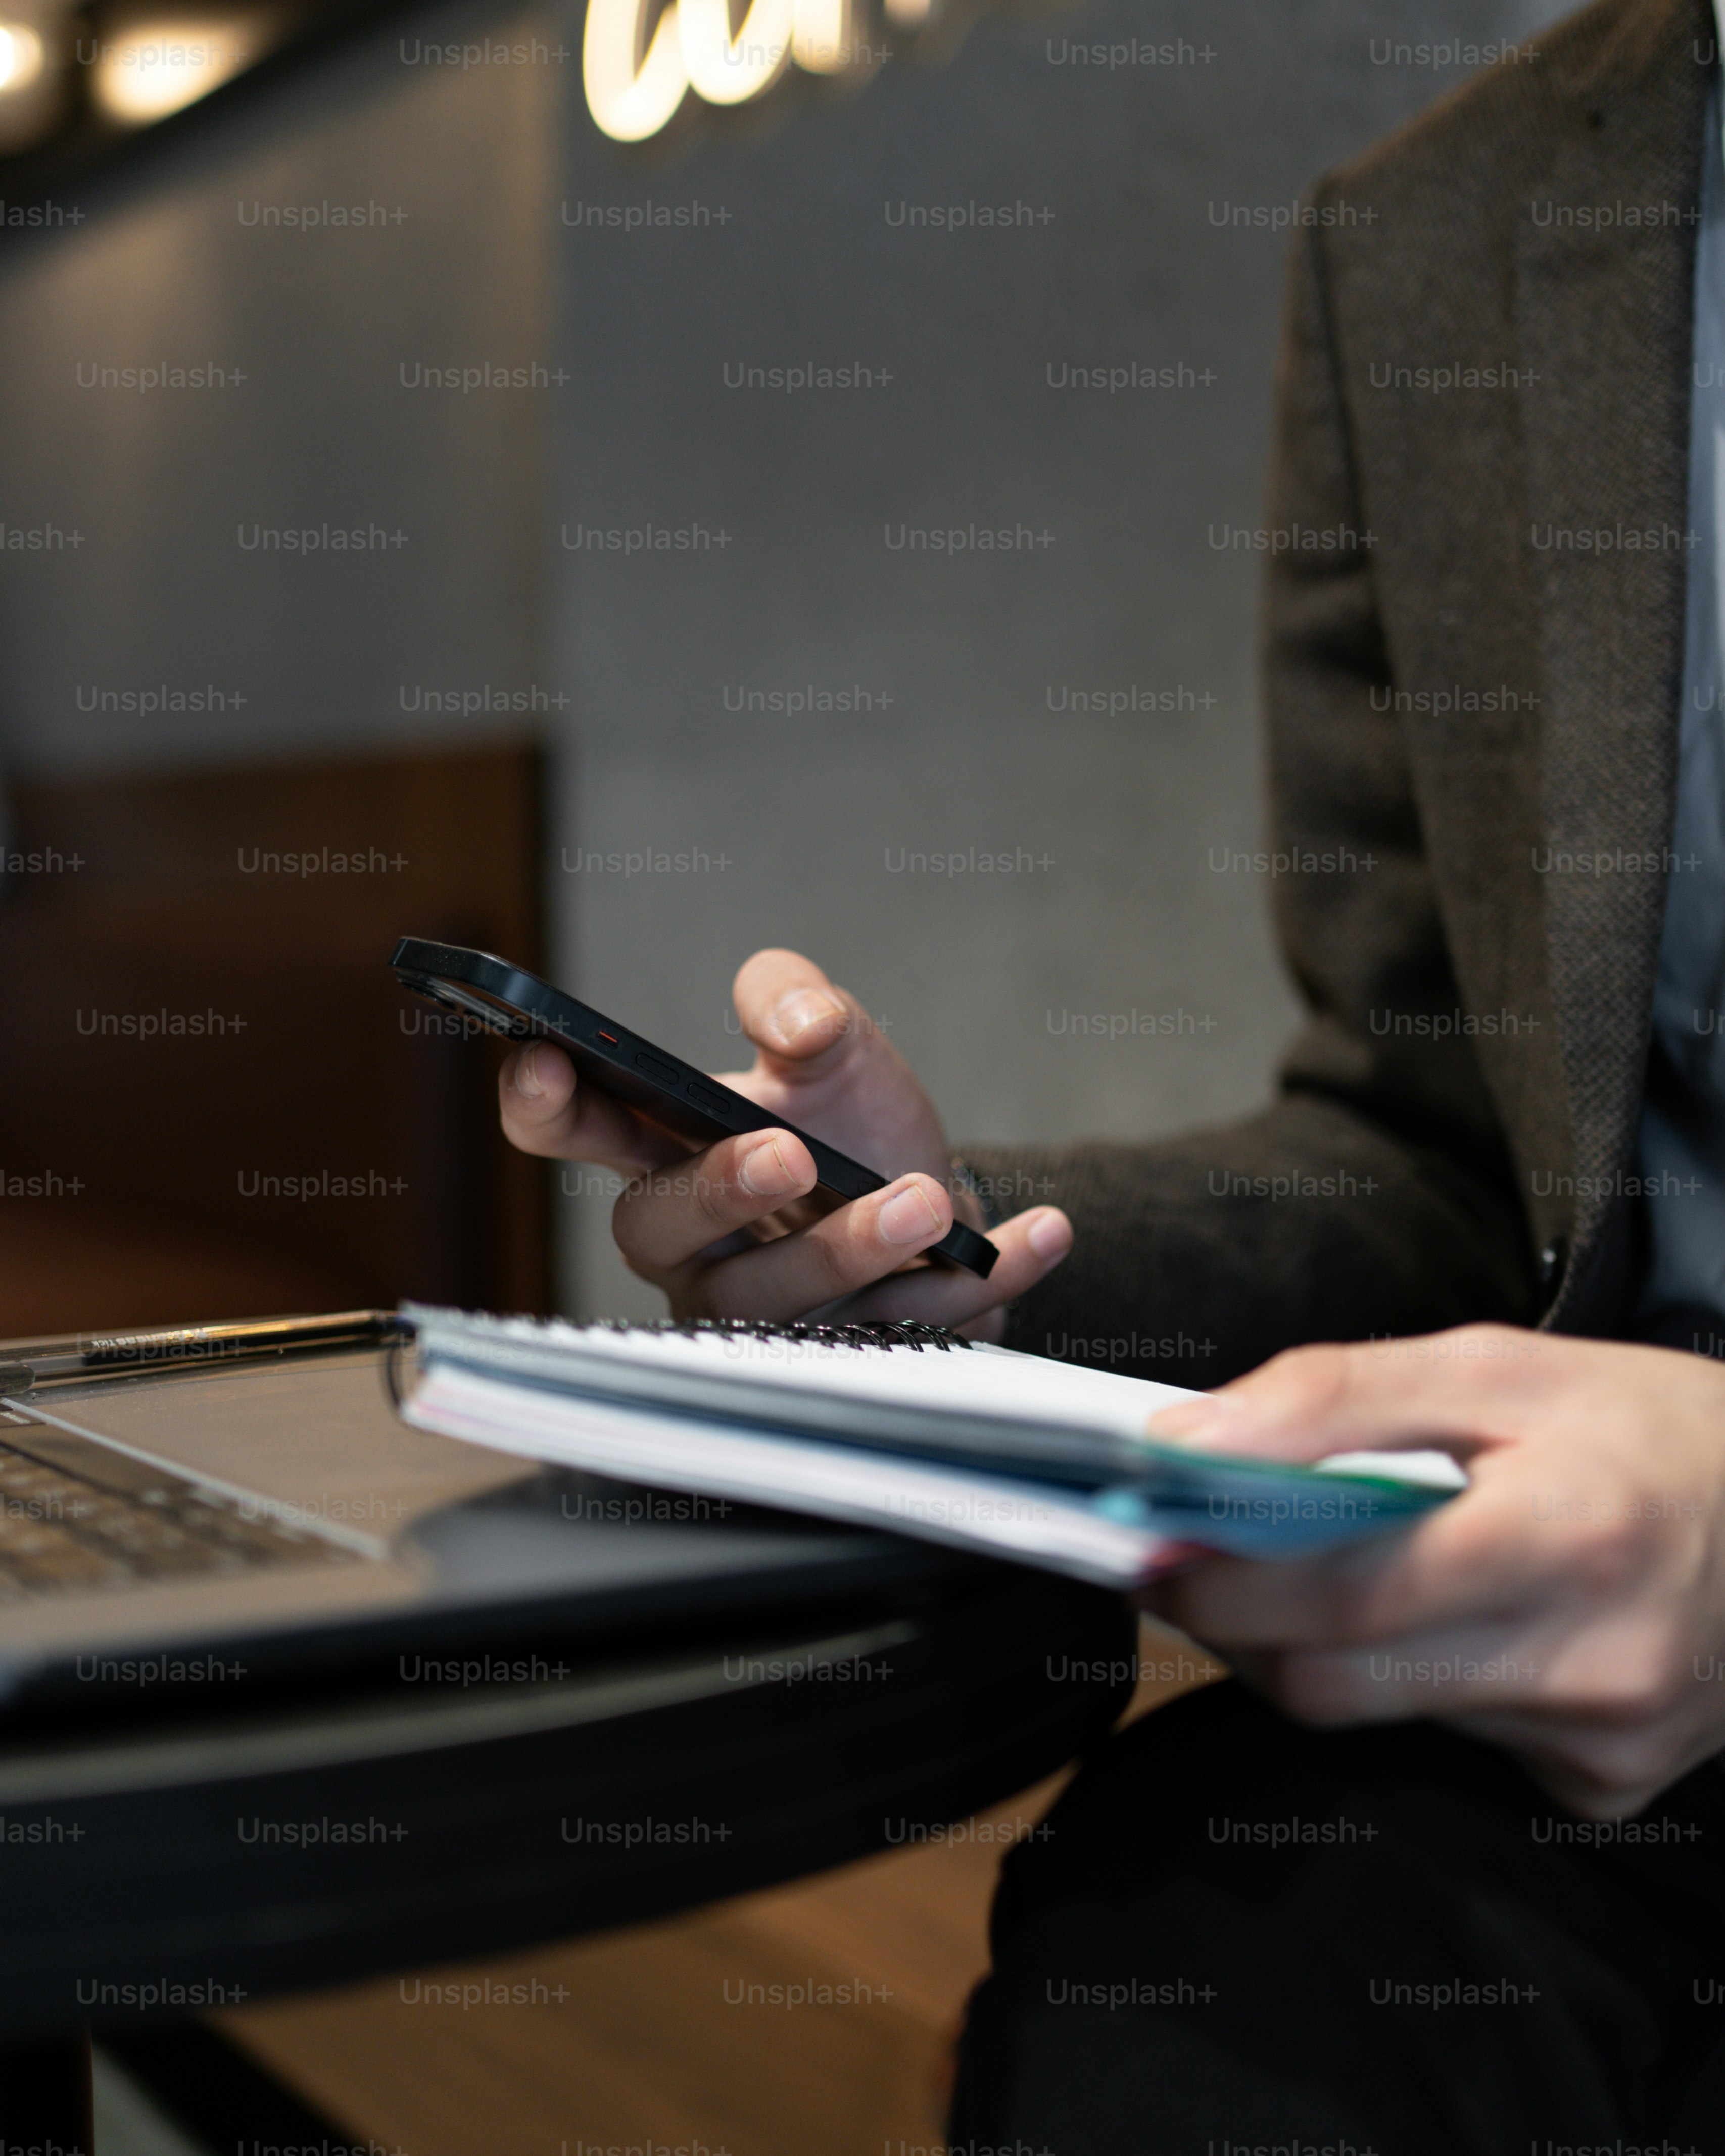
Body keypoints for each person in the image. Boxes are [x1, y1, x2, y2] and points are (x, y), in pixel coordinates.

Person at [501, 0, 1725, 2140]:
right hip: (1592, 1669)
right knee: (1196, 1951)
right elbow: (1444, 1155)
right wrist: (948, 1247)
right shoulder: (1436, 231)